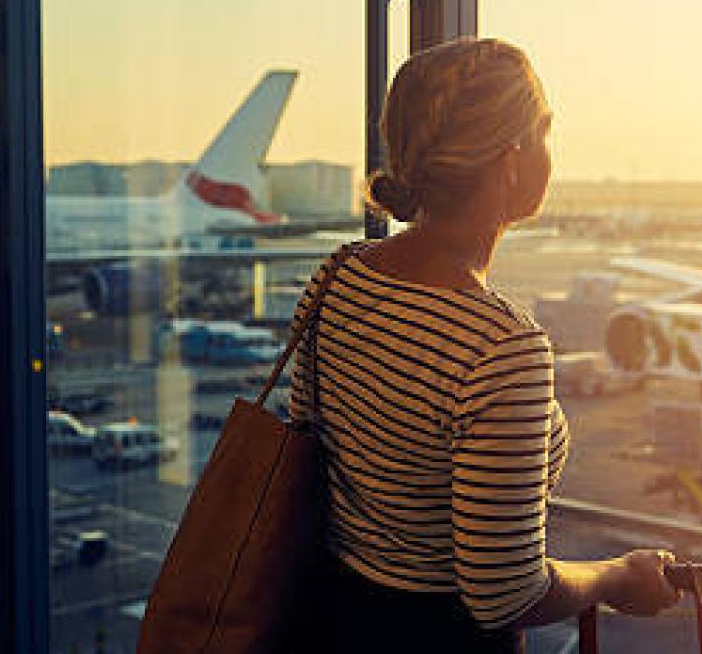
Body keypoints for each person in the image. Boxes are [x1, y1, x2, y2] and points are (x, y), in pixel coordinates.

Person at [289, 37, 681, 652]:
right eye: (544, 131)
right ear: (512, 157)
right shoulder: (501, 346)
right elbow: (504, 595)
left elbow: (308, 450)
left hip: (335, 621)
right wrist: (614, 577)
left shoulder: (338, 275)